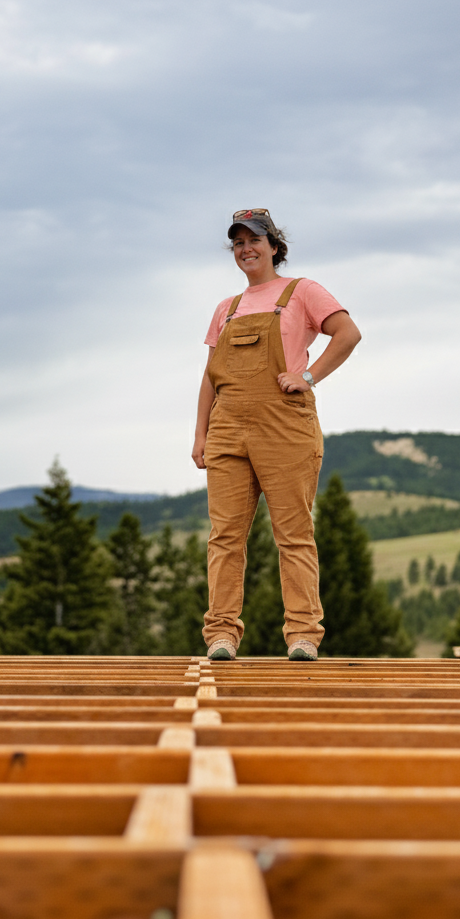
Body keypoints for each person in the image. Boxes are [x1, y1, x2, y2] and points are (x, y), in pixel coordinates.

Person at [192, 208, 361, 661]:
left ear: (274, 246)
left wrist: (308, 376)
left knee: (293, 533)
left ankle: (303, 634)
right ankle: (222, 634)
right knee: (224, 536)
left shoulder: (301, 291)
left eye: (255, 240)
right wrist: (200, 434)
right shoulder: (225, 309)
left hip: (284, 425)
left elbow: (347, 333)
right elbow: (210, 376)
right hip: (227, 427)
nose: (247, 248)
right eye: (238, 242)